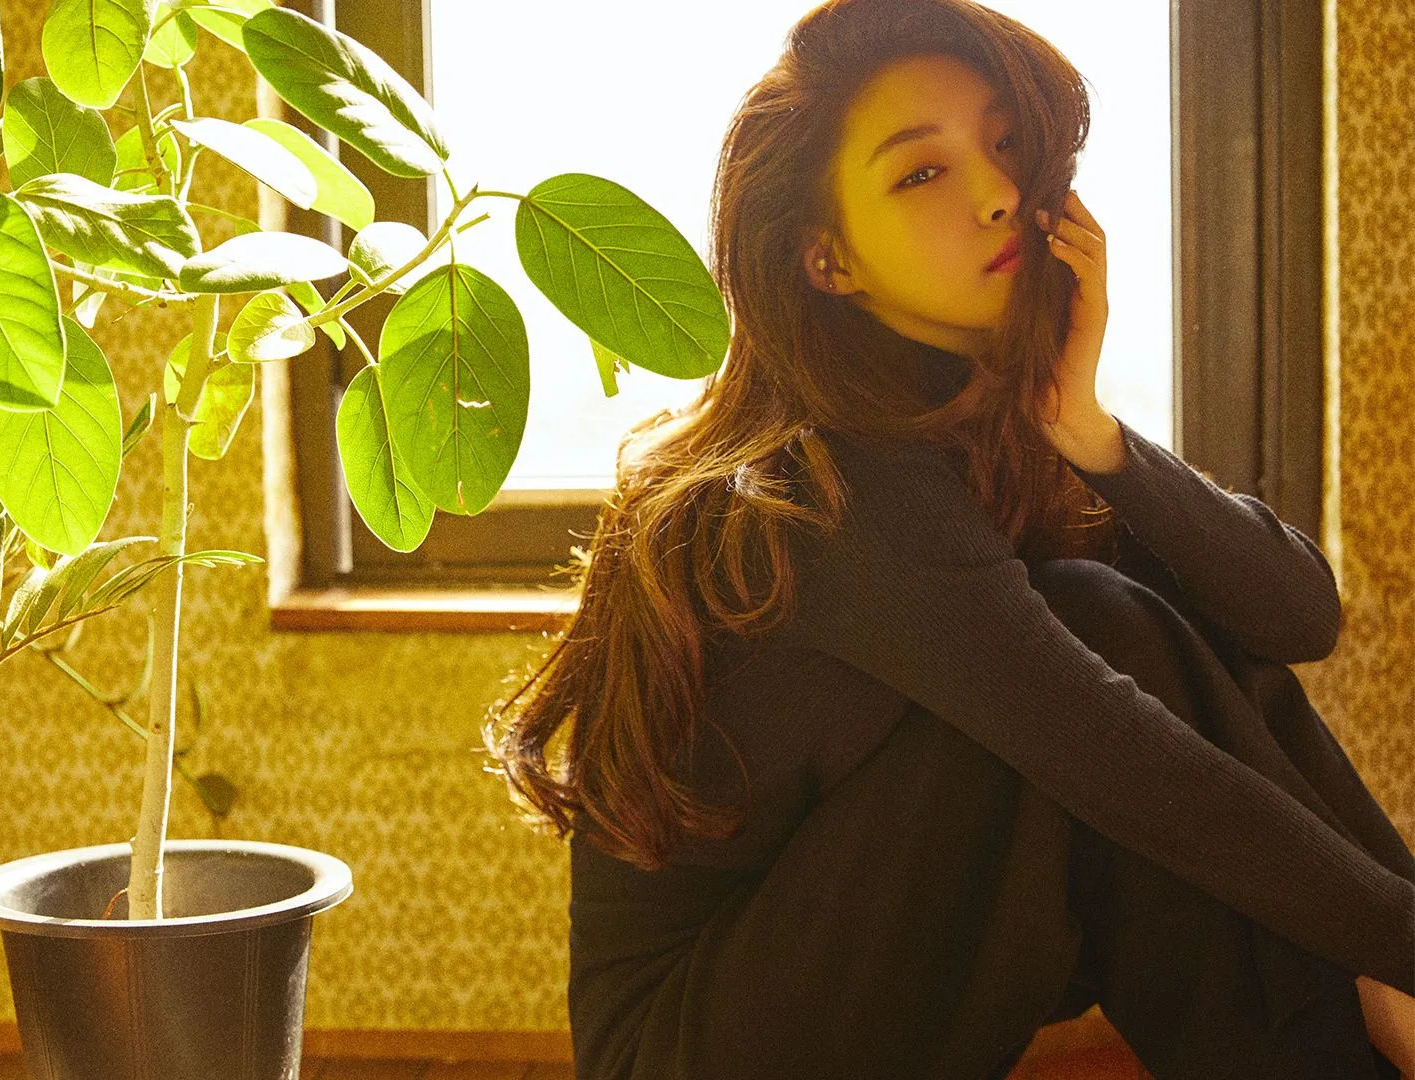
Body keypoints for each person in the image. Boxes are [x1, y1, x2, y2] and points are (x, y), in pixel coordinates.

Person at [477, 1, 1415, 1077]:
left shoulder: (973, 422)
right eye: (921, 172)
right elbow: (1125, 761)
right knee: (1084, 690)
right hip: (696, 1039)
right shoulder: (831, 482)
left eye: (1006, 146)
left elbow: (1295, 617)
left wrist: (1094, 437)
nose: (998, 193)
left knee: (1121, 627)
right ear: (828, 259)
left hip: (843, 957)